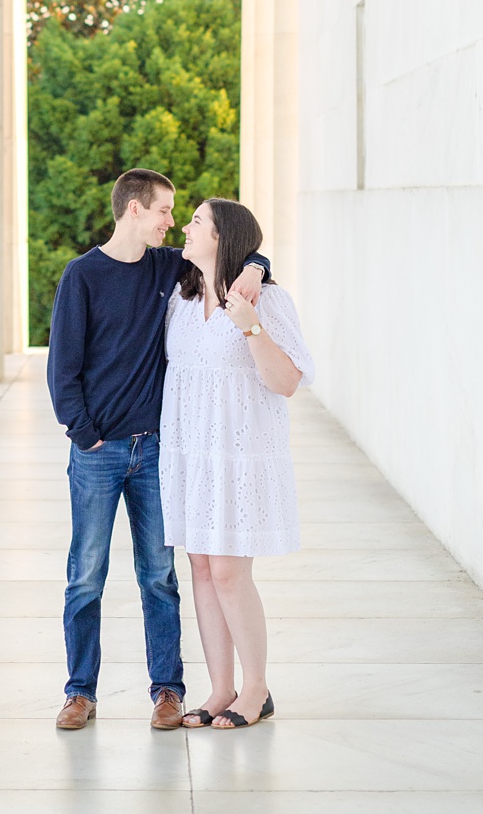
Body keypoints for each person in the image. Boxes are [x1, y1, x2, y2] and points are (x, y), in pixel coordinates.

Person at [45, 167, 270, 732]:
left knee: (158, 576)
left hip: (158, 454)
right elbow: (62, 368)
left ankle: (168, 690)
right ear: (135, 210)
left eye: (179, 215)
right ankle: (79, 693)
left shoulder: (169, 269)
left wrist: (254, 267)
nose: (174, 222)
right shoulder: (82, 276)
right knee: (86, 576)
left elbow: (245, 254)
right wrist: (85, 433)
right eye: (166, 211)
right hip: (98, 452)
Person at [160, 196, 313, 729]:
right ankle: (221, 687)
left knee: (228, 570)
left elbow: (287, 382)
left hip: (240, 454)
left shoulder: (267, 301)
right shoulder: (181, 297)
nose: (184, 225)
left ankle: (256, 688)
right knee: (201, 566)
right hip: (191, 453)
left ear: (223, 236)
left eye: (196, 221)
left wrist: (250, 324)